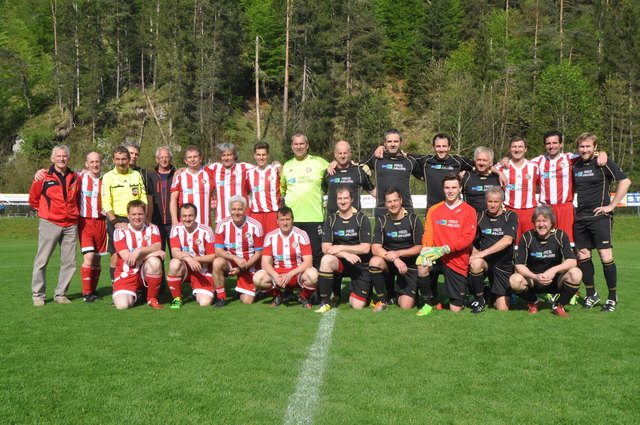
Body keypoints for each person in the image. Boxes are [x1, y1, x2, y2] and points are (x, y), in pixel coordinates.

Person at [572, 133, 631, 312]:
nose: (585, 150)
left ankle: (612, 297)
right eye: (582, 146)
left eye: (588, 146)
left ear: (595, 147)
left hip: (600, 217)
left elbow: (626, 181)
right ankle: (592, 295)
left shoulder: (603, 162)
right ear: (578, 148)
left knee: (605, 255)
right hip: (580, 218)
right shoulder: (574, 165)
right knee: (583, 256)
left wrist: (611, 206)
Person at [415, 174, 477, 315]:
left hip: (456, 259)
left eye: (454, 187)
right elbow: (429, 233)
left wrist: (445, 248)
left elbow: (467, 238)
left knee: (455, 309)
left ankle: (466, 294)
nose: (450, 191)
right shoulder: (434, 210)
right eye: (447, 187)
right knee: (422, 266)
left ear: (460, 189)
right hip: (436, 255)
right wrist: (426, 250)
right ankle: (428, 302)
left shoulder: (469, 211)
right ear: (443, 189)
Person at [509, 205, 583, 317]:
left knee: (576, 273)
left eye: (545, 221)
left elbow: (572, 261)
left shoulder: (560, 235)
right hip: (534, 280)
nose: (541, 224)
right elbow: (519, 265)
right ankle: (534, 302)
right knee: (514, 280)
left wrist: (553, 270)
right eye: (538, 221)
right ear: (533, 222)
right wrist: (535, 276)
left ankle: (559, 306)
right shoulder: (526, 237)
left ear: (551, 222)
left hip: (555, 280)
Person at [29, 145, 80, 306]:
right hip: (50, 223)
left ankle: (61, 294)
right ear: (52, 159)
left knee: (70, 262)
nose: (61, 159)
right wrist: (47, 212)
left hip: (70, 224)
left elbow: (78, 199)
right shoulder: (43, 176)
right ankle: (38, 295)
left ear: (69, 158)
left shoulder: (75, 177)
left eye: (64, 156)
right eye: (58, 156)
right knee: (42, 260)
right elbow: (33, 199)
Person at [316, 186, 372, 312]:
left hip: (359, 264)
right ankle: (325, 301)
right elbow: (326, 248)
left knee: (357, 306)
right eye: (339, 198)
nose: (342, 201)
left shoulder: (362, 218)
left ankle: (360, 290)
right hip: (340, 262)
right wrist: (345, 254)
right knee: (326, 260)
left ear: (351, 199)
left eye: (346, 198)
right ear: (336, 201)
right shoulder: (331, 219)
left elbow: (365, 248)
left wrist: (341, 247)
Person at [369, 187, 423, 311]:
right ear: (385, 204)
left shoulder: (413, 219)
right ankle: (383, 301)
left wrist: (398, 253)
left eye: (395, 200)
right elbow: (375, 248)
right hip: (390, 262)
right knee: (375, 261)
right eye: (389, 201)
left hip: (408, 264)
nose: (393, 204)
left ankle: (405, 293)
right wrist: (395, 259)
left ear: (401, 200)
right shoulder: (381, 221)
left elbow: (420, 247)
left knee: (405, 306)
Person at [253, 206, 318, 308]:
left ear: (292, 220)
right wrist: (275, 275)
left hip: (297, 273)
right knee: (258, 279)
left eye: (288, 219)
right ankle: (277, 295)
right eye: (282, 220)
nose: (285, 223)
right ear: (277, 221)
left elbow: (308, 262)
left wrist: (290, 274)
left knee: (313, 276)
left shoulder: (301, 235)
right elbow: (264, 263)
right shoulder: (270, 236)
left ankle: (304, 296)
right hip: (278, 274)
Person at [280, 133, 329, 267]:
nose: (299, 147)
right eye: (296, 144)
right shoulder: (287, 165)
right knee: (293, 254)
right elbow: (282, 189)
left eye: (301, 144)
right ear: (292, 146)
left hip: (314, 217)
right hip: (293, 219)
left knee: (316, 254)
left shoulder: (319, 162)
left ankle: (318, 286)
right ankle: (295, 285)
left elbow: (335, 168)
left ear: (307, 145)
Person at [468, 186, 518, 312]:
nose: (493, 205)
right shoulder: (479, 216)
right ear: (486, 201)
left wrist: (483, 252)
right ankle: (479, 300)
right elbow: (468, 237)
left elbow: (507, 240)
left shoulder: (510, 216)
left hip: (503, 265)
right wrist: (474, 251)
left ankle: (489, 292)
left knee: (502, 308)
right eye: (490, 201)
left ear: (502, 202)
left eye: (496, 202)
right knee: (475, 263)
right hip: (486, 262)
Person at [102, 146, 147, 282]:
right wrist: (115, 223)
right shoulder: (108, 176)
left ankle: (139, 286)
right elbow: (106, 201)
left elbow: (143, 197)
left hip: (136, 218)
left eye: (123, 159)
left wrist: (142, 216)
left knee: (138, 253)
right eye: (118, 159)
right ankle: (117, 286)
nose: (121, 162)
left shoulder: (136, 175)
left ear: (129, 159)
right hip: (116, 220)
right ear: (113, 160)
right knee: (116, 254)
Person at [112, 200, 166, 309]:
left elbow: (157, 246)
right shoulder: (119, 231)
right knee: (122, 306)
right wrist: (151, 254)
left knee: (155, 262)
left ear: (145, 215)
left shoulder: (152, 228)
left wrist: (139, 251)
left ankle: (151, 299)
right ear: (128, 216)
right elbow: (128, 258)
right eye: (134, 214)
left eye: (140, 214)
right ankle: (136, 294)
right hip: (127, 274)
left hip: (144, 273)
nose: (137, 217)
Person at [213, 196, 264, 305]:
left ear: (245, 209)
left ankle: (255, 289)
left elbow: (259, 253)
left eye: (240, 209)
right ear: (229, 210)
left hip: (249, 264)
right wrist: (235, 258)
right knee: (217, 262)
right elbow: (218, 251)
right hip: (231, 263)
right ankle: (221, 297)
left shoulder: (255, 226)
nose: (236, 212)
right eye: (234, 209)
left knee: (247, 301)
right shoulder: (222, 225)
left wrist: (241, 268)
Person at [361, 129, 422, 220]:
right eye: (389, 141)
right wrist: (371, 188)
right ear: (384, 143)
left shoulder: (409, 161)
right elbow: (357, 169)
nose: (392, 144)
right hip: (382, 209)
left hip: (406, 209)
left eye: (396, 141)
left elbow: (426, 175)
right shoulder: (377, 158)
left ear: (401, 142)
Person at [167, 203, 216, 308]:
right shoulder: (176, 229)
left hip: (202, 270)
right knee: (174, 263)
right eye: (184, 216)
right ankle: (177, 298)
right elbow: (175, 253)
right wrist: (188, 259)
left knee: (205, 303)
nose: (187, 219)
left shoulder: (206, 231)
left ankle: (208, 290)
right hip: (185, 269)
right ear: (181, 217)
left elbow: (212, 256)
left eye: (190, 216)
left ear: (195, 216)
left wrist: (194, 259)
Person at [495, 136, 540, 244]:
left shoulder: (534, 167)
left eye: (520, 146)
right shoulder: (501, 167)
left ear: (525, 149)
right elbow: (486, 168)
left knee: (531, 244)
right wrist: (500, 172)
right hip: (510, 211)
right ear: (510, 149)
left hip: (529, 211)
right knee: (510, 244)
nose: (517, 149)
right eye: (514, 147)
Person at [78, 152, 107, 302]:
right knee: (88, 257)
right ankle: (86, 292)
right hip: (85, 222)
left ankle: (94, 290)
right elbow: (60, 171)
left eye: (97, 161)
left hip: (102, 222)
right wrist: (41, 171)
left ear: (101, 163)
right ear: (86, 163)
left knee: (97, 259)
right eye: (92, 162)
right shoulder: (80, 177)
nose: (95, 164)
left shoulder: (107, 179)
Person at [206, 142, 255, 224]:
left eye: (229, 155)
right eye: (223, 155)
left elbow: (262, 168)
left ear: (235, 156)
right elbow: (197, 169)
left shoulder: (244, 167)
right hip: (221, 219)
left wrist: (276, 164)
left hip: (242, 217)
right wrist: (182, 169)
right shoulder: (214, 168)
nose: (226, 158)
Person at [323, 140, 375, 214]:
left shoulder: (359, 171)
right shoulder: (329, 171)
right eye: (340, 153)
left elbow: (372, 190)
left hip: (353, 219)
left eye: (345, 153)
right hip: (333, 219)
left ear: (350, 153)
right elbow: (322, 190)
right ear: (335, 154)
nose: (342, 156)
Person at [170, 145, 213, 227]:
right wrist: (174, 221)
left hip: (205, 223)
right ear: (185, 161)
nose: (192, 159)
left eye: (195, 156)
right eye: (189, 157)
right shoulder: (179, 176)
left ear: (200, 159)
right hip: (185, 224)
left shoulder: (209, 173)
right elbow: (173, 200)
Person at [244, 141, 281, 234]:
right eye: (258, 155)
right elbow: (245, 193)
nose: (261, 157)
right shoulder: (249, 173)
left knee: (273, 244)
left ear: (268, 155)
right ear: (254, 156)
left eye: (264, 155)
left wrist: (278, 163)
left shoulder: (275, 171)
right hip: (256, 215)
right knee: (257, 245)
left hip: (273, 214)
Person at [148, 146, 176, 253]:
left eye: (167, 157)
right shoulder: (150, 176)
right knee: (157, 256)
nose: (164, 159)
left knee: (176, 256)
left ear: (170, 159)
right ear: (157, 159)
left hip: (173, 223)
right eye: (162, 157)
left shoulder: (177, 175)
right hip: (156, 223)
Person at [461, 146, 502, 213]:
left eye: (484, 160)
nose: (481, 163)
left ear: (491, 162)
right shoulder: (466, 177)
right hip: (471, 218)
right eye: (479, 160)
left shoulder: (497, 178)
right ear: (474, 161)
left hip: (490, 219)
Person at [124, 142, 153, 223]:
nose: (133, 156)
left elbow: (149, 199)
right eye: (131, 153)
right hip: (120, 217)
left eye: (136, 154)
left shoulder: (143, 173)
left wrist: (148, 218)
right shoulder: (115, 173)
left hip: (138, 218)